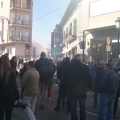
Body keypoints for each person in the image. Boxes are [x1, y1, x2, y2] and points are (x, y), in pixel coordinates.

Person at [64, 54, 93, 120]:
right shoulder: (85, 67)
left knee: (73, 108)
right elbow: (89, 77)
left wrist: (65, 87)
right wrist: (90, 87)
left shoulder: (69, 67)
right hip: (81, 89)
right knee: (82, 107)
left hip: (72, 90)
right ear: (80, 59)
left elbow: (64, 78)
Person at [0, 55, 20, 120]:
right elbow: (14, 86)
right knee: (9, 115)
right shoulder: (12, 71)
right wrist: (17, 96)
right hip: (9, 97)